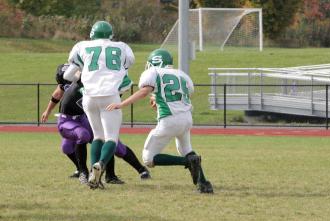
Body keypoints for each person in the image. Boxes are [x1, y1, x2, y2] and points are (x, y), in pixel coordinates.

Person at [107, 48, 213, 193]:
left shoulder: (153, 72)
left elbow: (144, 91)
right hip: (187, 118)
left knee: (148, 158)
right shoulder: (182, 74)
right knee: (186, 149)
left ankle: (187, 162)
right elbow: (179, 96)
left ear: (156, 61)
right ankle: (203, 183)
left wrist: (121, 104)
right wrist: (158, 101)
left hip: (170, 120)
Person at [41, 63, 150, 185]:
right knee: (70, 145)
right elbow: (59, 91)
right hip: (69, 119)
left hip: (84, 118)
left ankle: (121, 173)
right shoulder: (80, 78)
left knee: (113, 144)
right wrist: (47, 111)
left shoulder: (104, 83)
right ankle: (82, 171)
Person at [66, 21, 135, 189]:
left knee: (97, 136)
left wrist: (84, 78)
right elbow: (126, 67)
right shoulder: (122, 47)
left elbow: (68, 76)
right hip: (110, 96)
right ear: (111, 35)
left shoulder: (81, 46)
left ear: (91, 34)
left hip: (89, 96)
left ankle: (92, 173)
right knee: (111, 137)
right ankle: (101, 164)